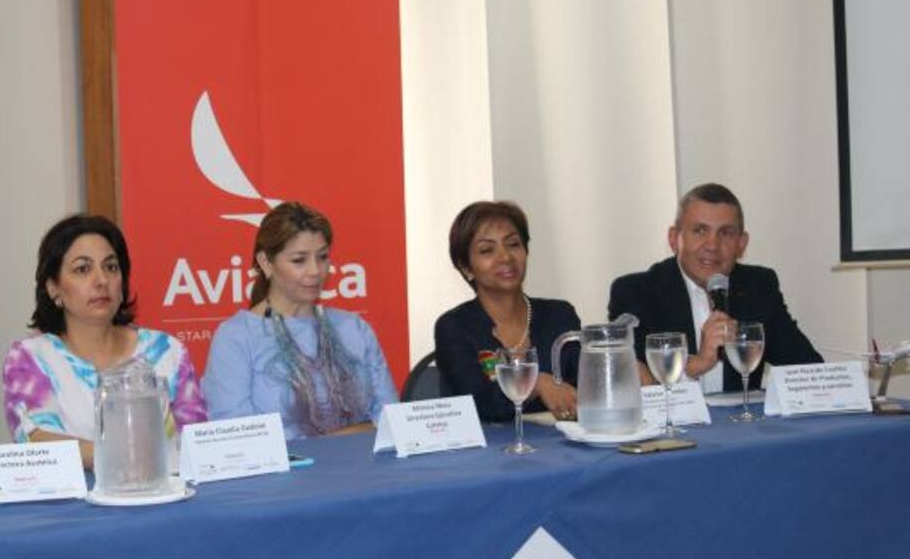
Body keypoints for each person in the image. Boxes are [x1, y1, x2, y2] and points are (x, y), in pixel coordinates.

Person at [2, 214, 206, 466]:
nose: (101, 280)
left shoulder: (166, 352)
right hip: (70, 503)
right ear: (53, 287)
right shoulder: (32, 358)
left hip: (161, 497)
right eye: (82, 269)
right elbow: (35, 442)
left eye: (111, 267)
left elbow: (197, 445)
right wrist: (125, 456)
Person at [202, 202, 398, 439]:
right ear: (266, 263)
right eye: (299, 260)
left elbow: (392, 420)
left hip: (366, 470)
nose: (315, 271)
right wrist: (336, 442)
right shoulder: (237, 336)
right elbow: (236, 437)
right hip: (279, 475)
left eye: (323, 257)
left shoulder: (353, 328)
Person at [608, 182, 822, 392]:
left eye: (726, 233)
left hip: (740, 424)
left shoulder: (759, 286)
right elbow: (629, 385)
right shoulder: (635, 292)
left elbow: (808, 370)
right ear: (674, 239)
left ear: (742, 244)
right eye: (699, 231)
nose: (712, 245)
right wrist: (695, 365)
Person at [434, 201, 581, 422]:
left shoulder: (560, 315)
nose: (505, 257)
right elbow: (480, 404)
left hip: (561, 447)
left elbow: (586, 388)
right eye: (487, 250)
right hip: (489, 451)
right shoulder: (454, 326)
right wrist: (536, 383)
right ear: (466, 268)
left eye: (513, 244)